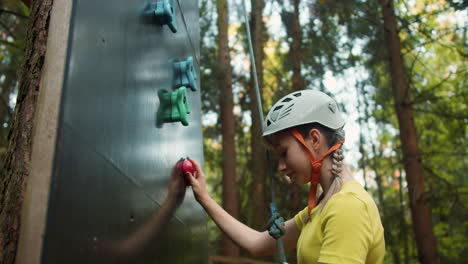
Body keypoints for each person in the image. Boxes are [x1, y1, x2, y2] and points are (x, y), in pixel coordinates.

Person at [184, 90, 385, 264]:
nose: (280, 167)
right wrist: (204, 197)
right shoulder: (320, 207)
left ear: (314, 139)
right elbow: (257, 244)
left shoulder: (348, 206)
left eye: (284, 152)